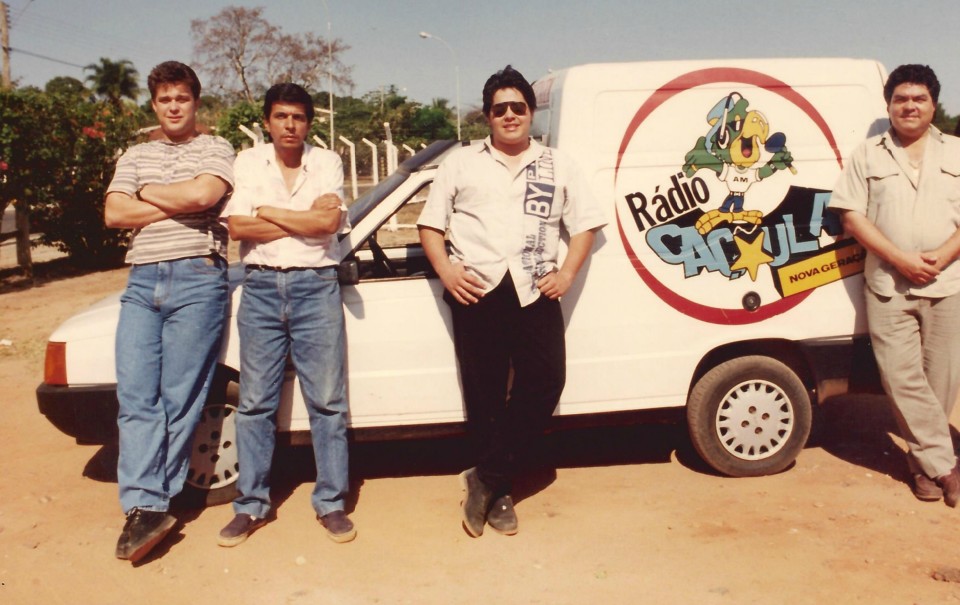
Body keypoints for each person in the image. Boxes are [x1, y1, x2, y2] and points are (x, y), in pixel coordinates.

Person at [417, 65, 607, 537]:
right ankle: (500, 494)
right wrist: (447, 271)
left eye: (517, 107)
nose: (509, 115)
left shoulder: (557, 164)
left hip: (533, 287)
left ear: (531, 112)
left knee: (546, 381)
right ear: (487, 115)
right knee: (484, 395)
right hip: (477, 289)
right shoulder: (460, 163)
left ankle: (484, 478)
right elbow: (430, 225)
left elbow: (585, 224)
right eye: (499, 108)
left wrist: (566, 273)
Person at [104, 61, 235, 562]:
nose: (173, 107)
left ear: (195, 101)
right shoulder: (136, 153)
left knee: (180, 397)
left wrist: (146, 193)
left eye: (182, 98)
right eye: (164, 99)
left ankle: (150, 504)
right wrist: (177, 203)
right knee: (136, 396)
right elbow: (114, 213)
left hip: (198, 276)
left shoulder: (216, 148)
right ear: (154, 104)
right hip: (142, 280)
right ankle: (145, 505)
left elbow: (205, 193)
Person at [217, 82, 355, 546]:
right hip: (260, 288)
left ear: (308, 123)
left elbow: (327, 224)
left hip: (316, 287)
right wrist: (302, 219)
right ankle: (250, 505)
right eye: (281, 116)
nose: (289, 125)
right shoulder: (248, 161)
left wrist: (269, 211)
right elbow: (239, 227)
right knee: (256, 402)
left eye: (298, 117)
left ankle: (331, 502)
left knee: (327, 402)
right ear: (267, 121)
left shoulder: (327, 161)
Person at [829, 64, 960, 506]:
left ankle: (923, 467)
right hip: (888, 285)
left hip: (948, 283)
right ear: (888, 105)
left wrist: (943, 256)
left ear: (934, 105)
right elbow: (852, 217)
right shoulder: (868, 154)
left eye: (919, 99)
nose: (909, 106)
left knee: (941, 382)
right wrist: (901, 259)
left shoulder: (958, 152)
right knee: (901, 380)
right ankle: (945, 466)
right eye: (900, 98)